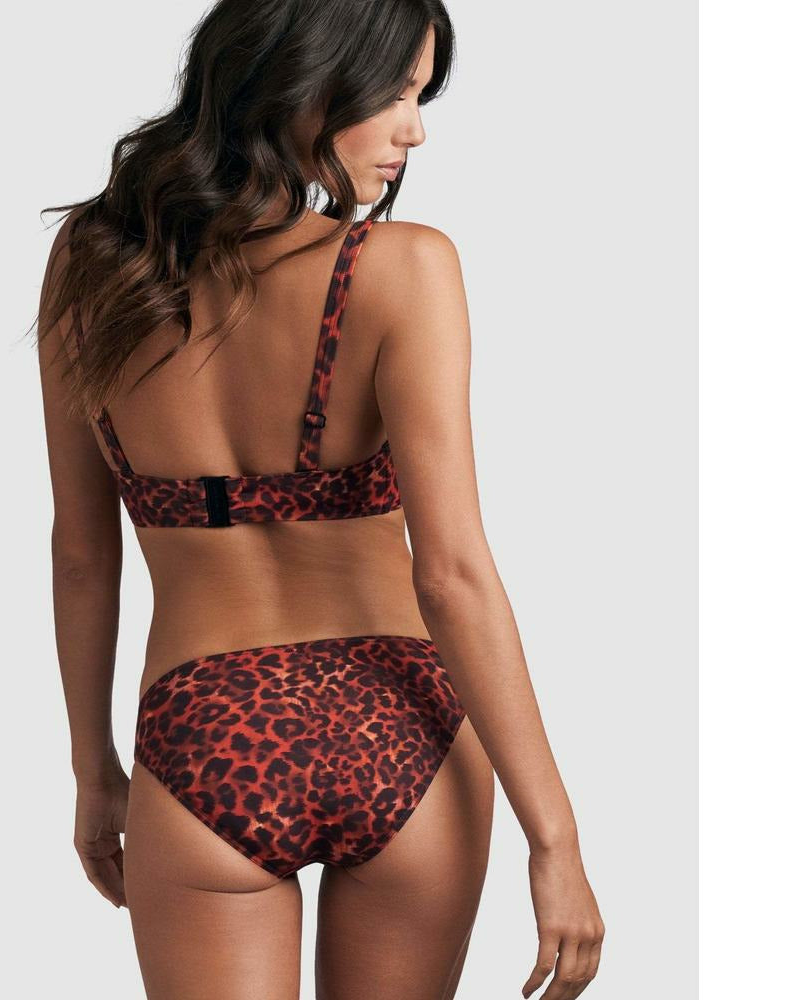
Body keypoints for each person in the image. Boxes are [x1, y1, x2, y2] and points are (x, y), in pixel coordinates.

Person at [36, 2, 604, 997]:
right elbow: (452, 574)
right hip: (402, 728)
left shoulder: (95, 266)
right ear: (305, 78)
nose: (414, 130)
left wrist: (95, 770)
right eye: (397, 92)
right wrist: (553, 838)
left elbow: (83, 552)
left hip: (204, 732)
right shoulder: (402, 268)